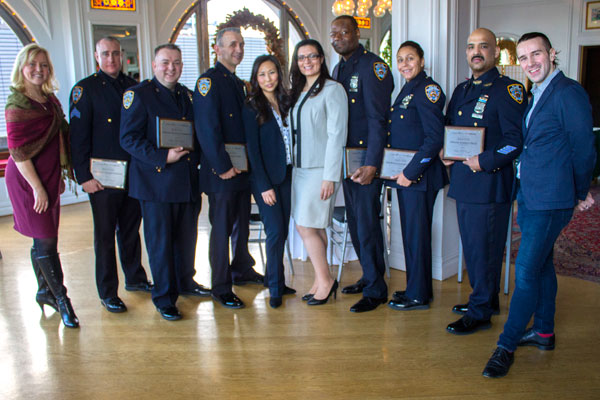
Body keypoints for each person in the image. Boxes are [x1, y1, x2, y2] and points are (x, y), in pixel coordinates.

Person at [483, 32, 596, 378]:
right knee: (543, 264)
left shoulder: (568, 92)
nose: (530, 62)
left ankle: (506, 344)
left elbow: (584, 148)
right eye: (524, 57)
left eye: (537, 54)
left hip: (552, 199)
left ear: (552, 53)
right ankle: (544, 331)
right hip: (532, 195)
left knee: (527, 270)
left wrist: (579, 192)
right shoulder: (537, 94)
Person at [444, 28, 527, 334]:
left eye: (483, 47)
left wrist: (486, 160)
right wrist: (445, 150)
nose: (475, 52)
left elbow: (515, 140)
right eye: (470, 47)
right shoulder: (463, 90)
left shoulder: (508, 90)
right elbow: (451, 130)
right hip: (465, 183)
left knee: (484, 249)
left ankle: (479, 312)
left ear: (495, 53)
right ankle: (486, 298)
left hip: (490, 183)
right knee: (475, 247)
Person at [120, 44, 209, 321]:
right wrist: (163, 156)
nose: (171, 68)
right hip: (155, 184)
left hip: (186, 182)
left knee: (187, 239)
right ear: (154, 63)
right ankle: (164, 297)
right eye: (165, 62)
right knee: (160, 244)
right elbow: (128, 138)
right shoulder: (138, 95)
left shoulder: (188, 95)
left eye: (177, 63)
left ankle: (185, 281)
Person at [69, 36, 153, 314]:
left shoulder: (134, 87)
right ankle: (108, 293)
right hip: (102, 178)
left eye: (116, 54)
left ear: (123, 55)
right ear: (97, 56)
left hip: (132, 175)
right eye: (105, 54)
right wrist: (83, 177)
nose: (111, 59)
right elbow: (77, 138)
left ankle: (135, 279)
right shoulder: (85, 89)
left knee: (130, 231)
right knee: (104, 237)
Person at [4, 43, 78, 328]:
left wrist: (58, 174)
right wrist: (37, 188)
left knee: (44, 237)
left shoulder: (49, 99)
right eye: (33, 64)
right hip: (27, 179)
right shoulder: (16, 105)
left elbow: (60, 136)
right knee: (46, 238)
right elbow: (19, 153)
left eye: (44, 65)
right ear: (22, 68)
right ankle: (63, 300)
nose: (39, 70)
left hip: (48, 175)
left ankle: (43, 291)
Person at [193, 27, 263, 310]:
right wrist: (222, 166)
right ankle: (221, 286)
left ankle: (242, 269)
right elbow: (207, 129)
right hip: (221, 172)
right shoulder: (208, 82)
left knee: (241, 225)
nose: (238, 49)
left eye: (242, 44)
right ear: (217, 49)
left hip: (241, 169)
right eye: (232, 44)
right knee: (221, 229)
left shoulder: (238, 83)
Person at [330, 15, 394, 312]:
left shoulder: (372, 66)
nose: (339, 37)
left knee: (367, 223)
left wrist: (372, 164)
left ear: (357, 33)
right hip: (346, 160)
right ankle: (370, 276)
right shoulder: (338, 68)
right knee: (356, 222)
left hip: (365, 161)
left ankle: (376, 290)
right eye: (335, 33)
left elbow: (377, 121)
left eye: (345, 31)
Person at [385, 41, 448, 311]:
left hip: (419, 177)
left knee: (417, 234)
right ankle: (416, 288)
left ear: (422, 61)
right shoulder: (408, 89)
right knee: (411, 234)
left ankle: (419, 296)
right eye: (400, 60)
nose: (404, 64)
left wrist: (411, 173)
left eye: (410, 58)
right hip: (406, 177)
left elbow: (434, 139)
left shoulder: (428, 89)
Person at [289, 39, 348, 306]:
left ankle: (326, 280)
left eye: (312, 56)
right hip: (300, 168)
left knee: (305, 226)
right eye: (301, 58)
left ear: (322, 59)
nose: (307, 62)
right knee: (314, 225)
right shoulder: (298, 90)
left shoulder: (333, 89)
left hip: (320, 169)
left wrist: (330, 176)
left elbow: (337, 135)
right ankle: (320, 278)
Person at [243, 55, 297, 309]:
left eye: (272, 73)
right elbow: (252, 151)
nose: (268, 79)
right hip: (265, 180)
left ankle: (276, 279)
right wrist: (263, 186)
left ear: (279, 74)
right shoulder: (252, 106)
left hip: (286, 175)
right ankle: (274, 288)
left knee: (283, 230)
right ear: (256, 78)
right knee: (275, 231)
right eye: (262, 74)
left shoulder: (286, 102)